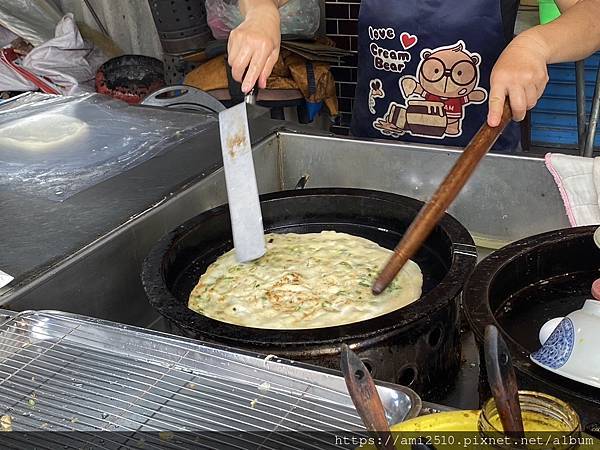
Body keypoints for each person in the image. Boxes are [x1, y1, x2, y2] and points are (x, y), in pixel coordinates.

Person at [228, 0, 600, 150]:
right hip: (377, 149)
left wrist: (534, 45)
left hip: (480, 156)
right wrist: (261, 12)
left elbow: (592, 14)